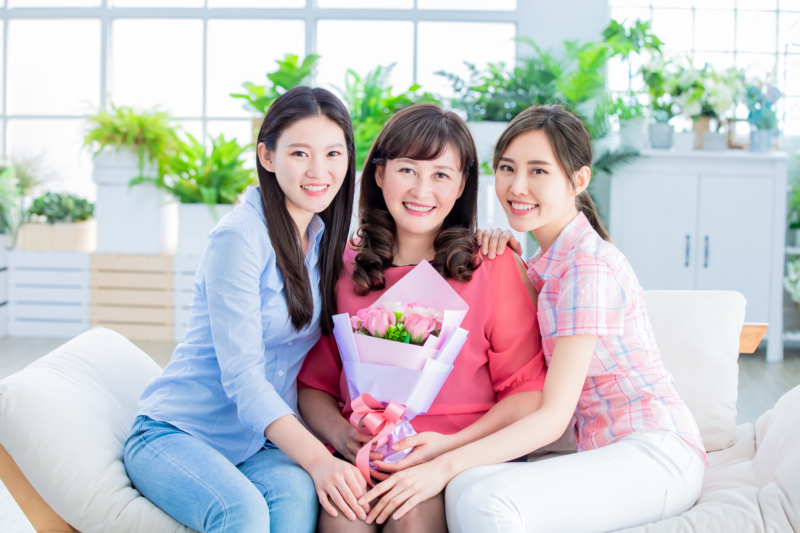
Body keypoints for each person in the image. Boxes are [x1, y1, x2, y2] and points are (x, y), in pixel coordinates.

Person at [357, 104, 707, 533]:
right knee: (468, 489)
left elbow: (551, 415)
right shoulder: (542, 263)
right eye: (507, 168)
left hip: (654, 452)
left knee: (484, 499)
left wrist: (445, 457)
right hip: (602, 451)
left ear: (578, 180)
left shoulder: (586, 267)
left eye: (539, 171)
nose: (517, 186)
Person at [123, 86, 369, 533]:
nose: (320, 170)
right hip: (179, 434)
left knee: (297, 502)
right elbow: (243, 377)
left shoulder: (323, 238)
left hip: (257, 445)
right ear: (268, 157)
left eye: (334, 153)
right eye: (300, 153)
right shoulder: (239, 238)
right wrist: (318, 459)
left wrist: (484, 239)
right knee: (243, 513)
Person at [296, 103, 548, 533]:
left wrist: (446, 452)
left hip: (459, 457)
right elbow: (313, 386)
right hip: (365, 456)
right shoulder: (343, 265)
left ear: (461, 186)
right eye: (407, 170)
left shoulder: (493, 265)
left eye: (441, 175)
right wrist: (342, 438)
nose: (421, 190)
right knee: (342, 518)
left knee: (408, 514)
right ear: (379, 174)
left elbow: (527, 395)